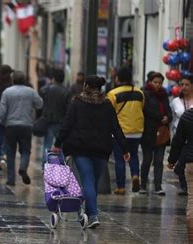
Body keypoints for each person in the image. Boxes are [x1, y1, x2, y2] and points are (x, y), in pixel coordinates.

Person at [53, 75, 129, 229]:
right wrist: (125, 148)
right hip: (102, 149)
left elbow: (67, 124)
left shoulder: (77, 103)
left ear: (86, 86)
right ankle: (90, 215)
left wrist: (57, 143)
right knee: (92, 183)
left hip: (81, 149)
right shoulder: (106, 104)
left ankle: (92, 215)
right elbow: (116, 127)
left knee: (88, 182)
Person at [0, 71, 43, 186]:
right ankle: (23, 167)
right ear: (24, 80)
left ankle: (11, 179)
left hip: (10, 125)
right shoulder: (31, 91)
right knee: (25, 150)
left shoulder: (7, 92)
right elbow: (40, 104)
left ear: (13, 80)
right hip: (26, 125)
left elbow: (2, 110)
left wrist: (2, 122)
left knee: (10, 152)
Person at [107, 67, 144, 195]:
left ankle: (121, 187)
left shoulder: (113, 94)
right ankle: (135, 175)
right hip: (137, 130)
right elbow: (142, 107)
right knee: (133, 156)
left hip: (120, 132)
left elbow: (109, 111)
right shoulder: (140, 93)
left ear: (118, 78)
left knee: (119, 158)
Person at [139, 72, 172, 195]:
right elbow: (146, 110)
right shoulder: (144, 94)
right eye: (155, 82)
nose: (158, 85)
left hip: (162, 132)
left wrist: (168, 118)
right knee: (147, 159)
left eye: (160, 82)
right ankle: (143, 185)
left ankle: (158, 186)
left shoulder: (164, 95)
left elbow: (169, 111)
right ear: (150, 82)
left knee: (159, 161)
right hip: (148, 132)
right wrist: (160, 117)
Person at [168, 108, 193, 244]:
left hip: (191, 161)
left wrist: (172, 159)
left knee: (192, 201)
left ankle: (191, 240)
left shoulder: (188, 115)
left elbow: (178, 140)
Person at [40, 68, 70, 161]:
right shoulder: (66, 92)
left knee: (47, 145)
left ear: (53, 78)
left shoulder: (45, 90)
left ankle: (45, 167)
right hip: (61, 122)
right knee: (60, 145)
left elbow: (41, 104)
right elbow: (68, 109)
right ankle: (59, 166)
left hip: (48, 121)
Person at [171, 75, 193, 195]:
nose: (184, 87)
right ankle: (184, 186)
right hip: (179, 136)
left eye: (187, 84)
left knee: (183, 164)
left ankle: (187, 187)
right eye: (182, 84)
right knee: (181, 164)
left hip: (191, 138)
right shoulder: (175, 101)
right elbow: (172, 118)